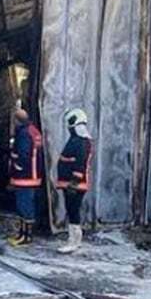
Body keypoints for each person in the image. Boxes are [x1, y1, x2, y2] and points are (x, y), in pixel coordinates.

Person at [56, 108, 93, 254]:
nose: (69, 128)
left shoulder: (81, 142)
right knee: (71, 209)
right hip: (70, 183)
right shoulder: (76, 140)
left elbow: (80, 163)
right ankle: (74, 239)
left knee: (73, 210)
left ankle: (74, 241)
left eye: (70, 124)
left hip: (75, 184)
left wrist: (74, 181)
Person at [8, 108, 43, 246]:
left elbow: (23, 154)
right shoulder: (34, 131)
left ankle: (26, 236)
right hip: (33, 175)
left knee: (24, 206)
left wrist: (14, 162)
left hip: (25, 176)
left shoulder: (23, 133)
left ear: (17, 120)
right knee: (27, 204)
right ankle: (23, 234)